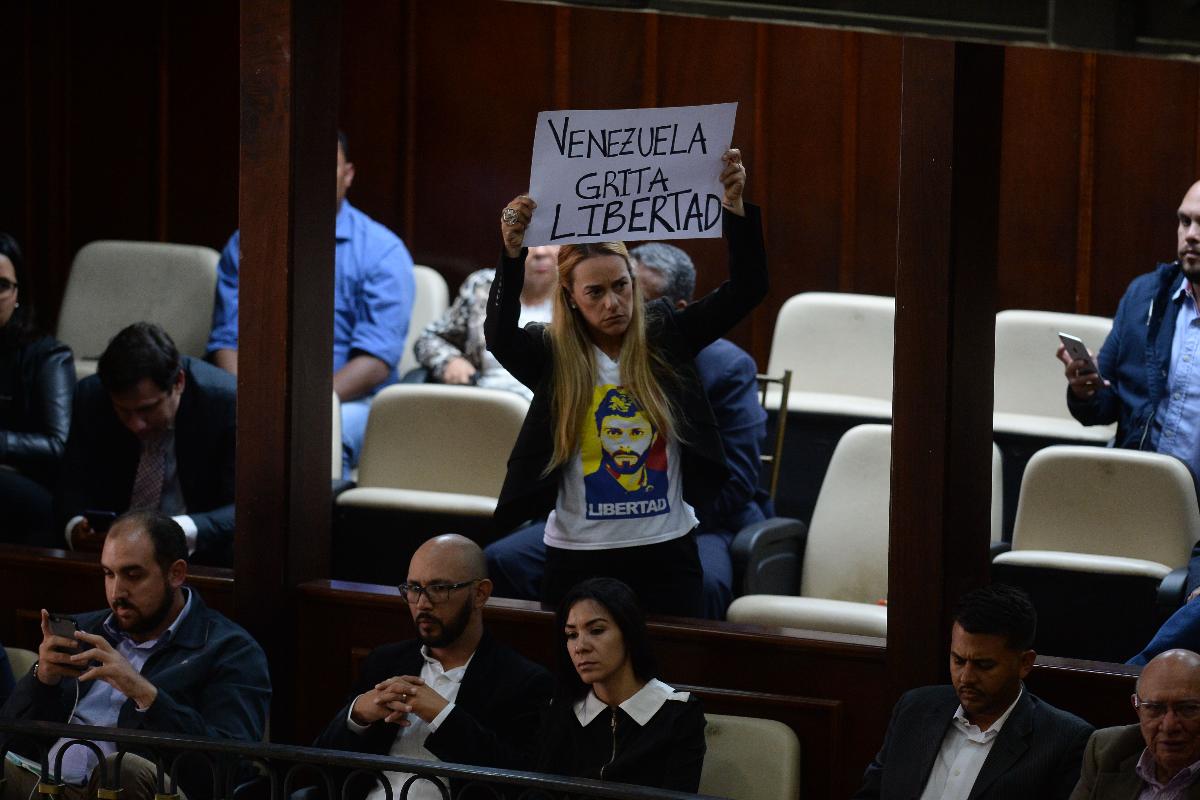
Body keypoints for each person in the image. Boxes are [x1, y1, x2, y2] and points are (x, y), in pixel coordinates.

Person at [486, 148, 768, 617]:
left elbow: (748, 288)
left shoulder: (665, 333)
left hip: (666, 551)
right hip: (576, 555)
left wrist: (734, 207)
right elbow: (498, 336)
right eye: (595, 292)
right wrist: (511, 253)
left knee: (669, 682)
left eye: (622, 286)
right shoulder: (552, 353)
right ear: (572, 299)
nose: (614, 303)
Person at [0, 511, 271, 800]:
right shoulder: (84, 631)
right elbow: (8, 740)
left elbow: (228, 765)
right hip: (44, 785)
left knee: (121, 770)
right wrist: (42, 681)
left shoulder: (231, 650)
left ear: (176, 573)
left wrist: (143, 694)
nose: (117, 592)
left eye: (133, 575)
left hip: (136, 789)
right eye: (108, 574)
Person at [207, 132, 415, 475]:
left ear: (347, 175)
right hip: (253, 398)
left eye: (326, 167)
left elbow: (375, 361)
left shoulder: (383, 251)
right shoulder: (249, 241)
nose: (313, 177)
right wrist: (249, 402)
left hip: (346, 401)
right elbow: (227, 341)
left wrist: (300, 409)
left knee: (321, 439)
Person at [313, 534, 553, 800]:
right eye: (414, 588)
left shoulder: (523, 681)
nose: (422, 604)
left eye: (439, 589)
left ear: (480, 594)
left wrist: (443, 716)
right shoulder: (384, 662)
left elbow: (519, 784)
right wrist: (357, 715)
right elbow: (317, 772)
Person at [1059, 180, 1200, 593]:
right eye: (1184, 221)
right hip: (1137, 500)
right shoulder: (1144, 296)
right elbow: (1105, 406)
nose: (1191, 235)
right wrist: (1084, 389)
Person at [855, 584, 1093, 799]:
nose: (966, 678)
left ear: (1024, 663)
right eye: (958, 660)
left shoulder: (1063, 742)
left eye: (984, 665)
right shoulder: (914, 709)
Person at [57, 323, 236, 566]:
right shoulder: (92, 397)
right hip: (111, 558)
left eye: (147, 409)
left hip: (201, 557)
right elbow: (71, 484)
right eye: (123, 411)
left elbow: (242, 509)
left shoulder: (225, 404)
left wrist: (176, 531)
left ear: (179, 382)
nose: (136, 425)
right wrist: (76, 526)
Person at [537, 577, 706, 791]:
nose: (580, 647)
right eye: (572, 635)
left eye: (596, 631)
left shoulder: (679, 713)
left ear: (629, 633)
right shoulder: (560, 709)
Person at [0, 232, 75, 547]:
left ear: (18, 294)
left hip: (31, 486)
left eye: (1, 286)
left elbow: (58, 445)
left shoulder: (48, 356)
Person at [413, 245, 559, 400]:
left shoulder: (576, 293)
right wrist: (449, 360)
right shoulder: (484, 286)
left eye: (550, 241)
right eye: (531, 240)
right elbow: (428, 339)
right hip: (484, 402)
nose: (540, 252)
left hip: (550, 408)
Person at [1070, 648, 1200, 799]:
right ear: (1137, 708)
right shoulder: (1106, 750)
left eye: (1188, 708)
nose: (1169, 726)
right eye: (1154, 708)